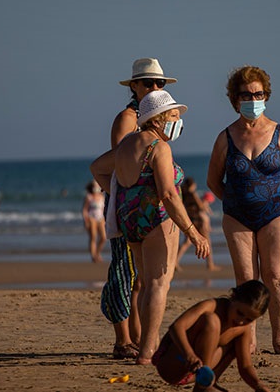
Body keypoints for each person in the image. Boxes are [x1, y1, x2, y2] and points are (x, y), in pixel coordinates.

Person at [92, 89, 211, 364]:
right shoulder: (159, 147)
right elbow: (168, 194)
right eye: (173, 116)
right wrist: (193, 233)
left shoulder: (126, 145)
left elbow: (97, 167)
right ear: (157, 119)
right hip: (157, 219)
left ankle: (149, 343)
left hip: (129, 219)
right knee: (158, 284)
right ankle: (147, 352)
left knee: (145, 283)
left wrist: (121, 193)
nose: (178, 121)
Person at [207, 66, 280, 355]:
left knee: (275, 277)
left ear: (266, 96)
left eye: (258, 94)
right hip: (237, 217)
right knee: (246, 280)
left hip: (276, 215)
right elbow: (213, 181)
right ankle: (248, 340)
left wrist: (275, 201)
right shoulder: (225, 137)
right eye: (246, 95)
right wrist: (236, 202)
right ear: (235, 99)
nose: (253, 99)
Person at [96, 57, 175, 360]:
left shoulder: (157, 118)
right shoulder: (128, 118)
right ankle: (123, 339)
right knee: (123, 271)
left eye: (159, 83)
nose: (155, 87)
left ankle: (140, 338)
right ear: (134, 86)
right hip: (127, 203)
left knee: (142, 278)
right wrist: (128, 198)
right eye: (148, 82)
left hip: (144, 207)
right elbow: (120, 164)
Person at [152, 280, 272, 392]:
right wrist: (189, 353)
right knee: (211, 320)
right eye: (239, 313)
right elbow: (176, 327)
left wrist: (258, 385)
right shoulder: (212, 306)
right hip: (173, 364)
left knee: (236, 345)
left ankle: (208, 383)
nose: (241, 321)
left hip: (195, 375)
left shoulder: (243, 329)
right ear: (233, 297)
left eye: (249, 319)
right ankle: (204, 386)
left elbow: (245, 366)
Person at [177, 177, 221, 272]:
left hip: (190, 221)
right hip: (199, 220)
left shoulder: (183, 195)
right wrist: (205, 204)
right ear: (192, 185)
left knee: (186, 243)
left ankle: (175, 261)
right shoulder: (193, 194)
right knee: (207, 242)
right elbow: (201, 207)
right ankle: (210, 264)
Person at [82, 180, 106, 263]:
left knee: (103, 237)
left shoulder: (102, 196)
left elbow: (104, 209)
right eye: (95, 186)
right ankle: (93, 256)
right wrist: (86, 220)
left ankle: (97, 253)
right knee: (93, 237)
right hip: (92, 217)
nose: (96, 188)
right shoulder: (89, 197)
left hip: (101, 218)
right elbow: (85, 210)